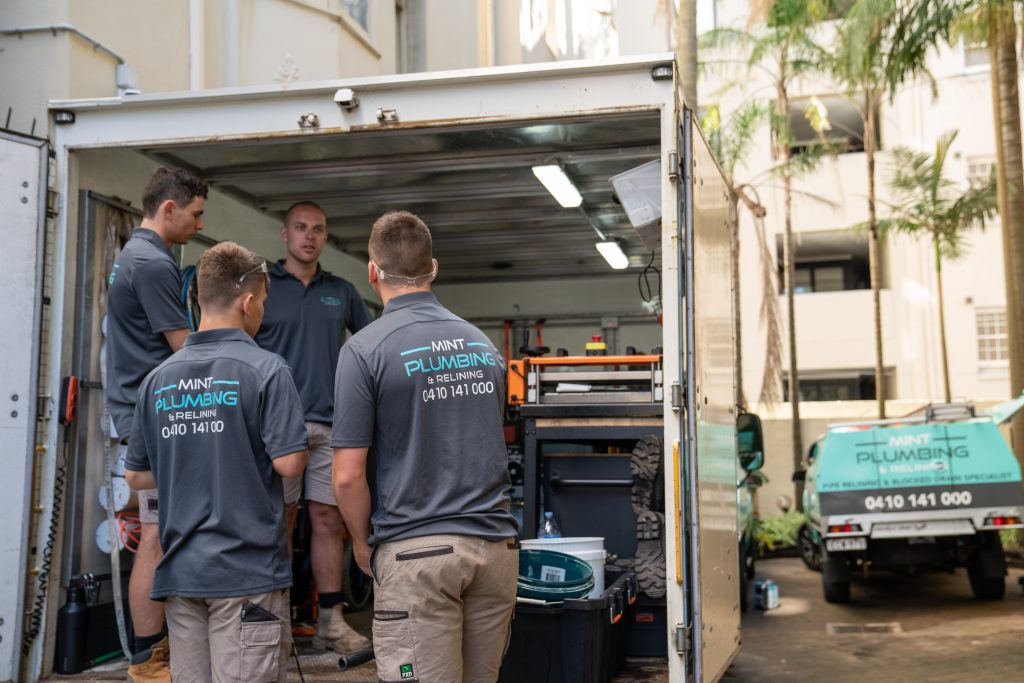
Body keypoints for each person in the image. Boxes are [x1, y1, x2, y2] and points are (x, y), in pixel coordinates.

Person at [331, 211, 519, 683]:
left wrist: (359, 542)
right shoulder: (483, 346)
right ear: (434, 268)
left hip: (418, 555)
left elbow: (348, 474)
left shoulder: (364, 350)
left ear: (371, 272)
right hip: (495, 552)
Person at [124, 241, 308, 683]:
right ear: (247, 303)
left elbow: (135, 476)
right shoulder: (266, 369)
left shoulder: (157, 380)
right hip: (246, 573)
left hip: (183, 575)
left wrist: (191, 452)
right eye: (262, 301)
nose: (262, 310)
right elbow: (290, 465)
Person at [254, 201, 372, 653]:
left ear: (326, 237)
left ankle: (329, 621)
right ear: (284, 234)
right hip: (275, 425)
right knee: (277, 521)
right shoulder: (262, 286)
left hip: (331, 424)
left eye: (318, 229)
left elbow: (368, 351)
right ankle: (276, 621)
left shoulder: (341, 292)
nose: (309, 236)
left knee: (327, 520)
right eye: (300, 228)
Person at [105, 166, 207, 681]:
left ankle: (156, 650)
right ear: (169, 209)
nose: (197, 224)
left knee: (157, 532)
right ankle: (149, 659)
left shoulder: (132, 255)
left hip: (141, 414)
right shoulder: (152, 263)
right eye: (195, 214)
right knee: (155, 536)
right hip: (155, 421)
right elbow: (183, 348)